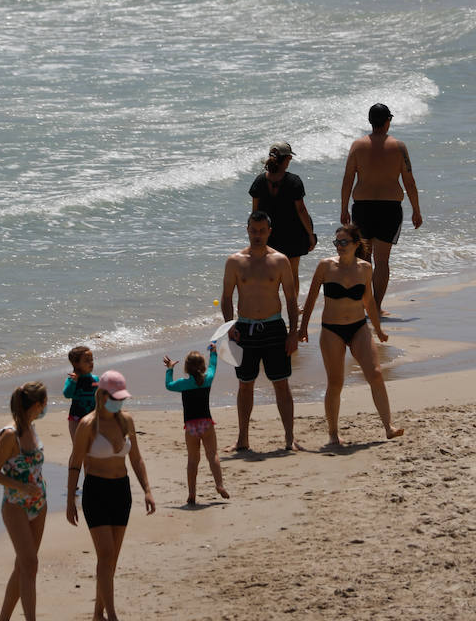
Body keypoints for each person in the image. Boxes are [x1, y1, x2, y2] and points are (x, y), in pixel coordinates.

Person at [66, 369, 155, 621]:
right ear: (102, 395)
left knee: (111, 558)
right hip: (96, 491)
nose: (120, 402)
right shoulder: (87, 425)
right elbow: (74, 464)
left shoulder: (126, 420)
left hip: (121, 491)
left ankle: (98, 613)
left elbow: (136, 458)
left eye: (121, 398)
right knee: (105, 554)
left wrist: (147, 490)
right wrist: (71, 499)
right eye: (115, 397)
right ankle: (112, 615)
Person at [299, 223, 404, 447]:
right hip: (331, 329)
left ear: (356, 244)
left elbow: (368, 302)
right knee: (335, 382)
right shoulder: (325, 266)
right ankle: (333, 433)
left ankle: (388, 427)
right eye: (337, 242)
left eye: (344, 242)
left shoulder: (365, 268)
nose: (339, 246)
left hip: (358, 328)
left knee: (375, 374)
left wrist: (378, 329)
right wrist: (303, 327)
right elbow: (311, 298)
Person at [220, 210, 299, 452]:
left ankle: (289, 437)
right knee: (245, 384)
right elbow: (226, 297)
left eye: (262, 230)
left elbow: (291, 298)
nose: (257, 235)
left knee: (281, 384)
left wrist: (293, 331)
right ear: (247, 230)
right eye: (254, 230)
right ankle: (243, 438)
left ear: (269, 232)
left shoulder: (280, 260)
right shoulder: (235, 261)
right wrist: (229, 324)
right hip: (244, 329)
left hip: (274, 326)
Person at [340, 102, 422, 310]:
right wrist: (416, 210)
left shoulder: (357, 146)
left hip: (363, 208)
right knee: (382, 261)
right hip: (389, 208)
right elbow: (409, 181)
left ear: (370, 121)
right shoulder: (398, 147)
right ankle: (375, 306)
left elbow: (348, 179)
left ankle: (364, 303)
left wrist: (343, 208)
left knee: (364, 259)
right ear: (387, 121)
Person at [0, 381, 50, 621]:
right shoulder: (9, 435)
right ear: (37, 406)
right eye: (44, 403)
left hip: (39, 504)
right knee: (30, 564)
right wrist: (22, 486)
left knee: (23, 565)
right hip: (15, 506)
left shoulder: (33, 429)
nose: (46, 407)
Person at [163, 344, 229, 505]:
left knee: (193, 460)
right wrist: (213, 353)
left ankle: (192, 493)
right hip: (206, 423)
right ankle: (219, 485)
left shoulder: (183, 384)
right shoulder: (207, 380)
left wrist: (170, 369)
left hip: (191, 426)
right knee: (212, 455)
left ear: (186, 368)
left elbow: (168, 385)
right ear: (202, 366)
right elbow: (213, 367)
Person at [249, 142, 317, 294]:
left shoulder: (259, 181)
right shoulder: (294, 181)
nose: (290, 161)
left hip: (270, 236)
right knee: (292, 273)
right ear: (285, 159)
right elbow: (301, 210)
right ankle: (293, 307)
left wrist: (255, 236)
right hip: (293, 234)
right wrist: (310, 234)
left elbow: (255, 214)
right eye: (289, 158)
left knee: (270, 274)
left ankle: (272, 306)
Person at [63, 344, 99, 438]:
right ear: (76, 363)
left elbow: (100, 397)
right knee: (78, 447)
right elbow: (67, 394)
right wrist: (74, 382)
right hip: (76, 418)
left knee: (93, 446)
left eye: (92, 359)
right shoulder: (72, 380)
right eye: (87, 360)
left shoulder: (95, 379)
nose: (91, 362)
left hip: (93, 418)